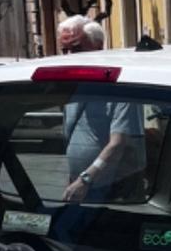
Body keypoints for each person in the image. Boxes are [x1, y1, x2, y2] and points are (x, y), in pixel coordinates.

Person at [52, 15, 144, 208]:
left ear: (98, 46)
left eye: (76, 49)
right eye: (64, 50)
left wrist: (85, 178)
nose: (69, 56)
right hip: (80, 186)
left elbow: (118, 143)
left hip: (109, 189)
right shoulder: (74, 86)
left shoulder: (118, 86)